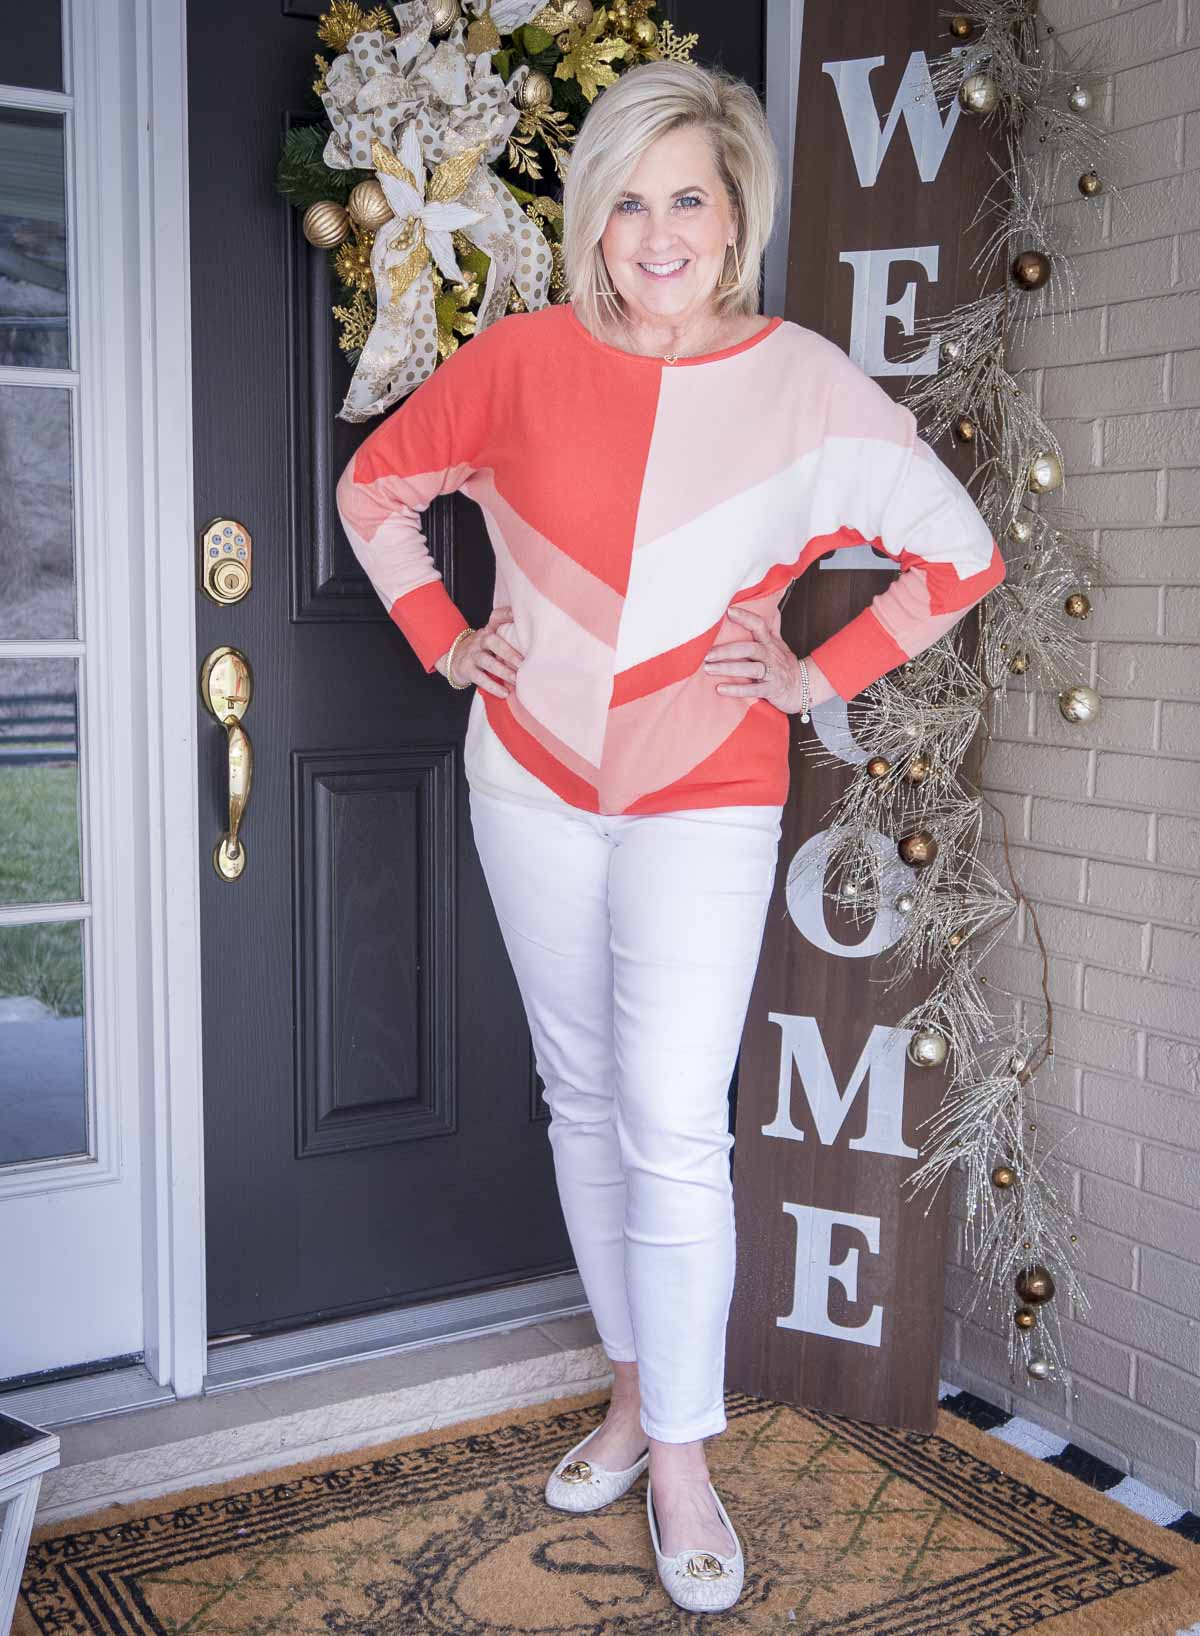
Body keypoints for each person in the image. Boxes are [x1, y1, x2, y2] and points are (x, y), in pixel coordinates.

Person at [336, 56, 1006, 1615]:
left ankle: (687, 1453)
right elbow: (379, 488)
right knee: (583, 1098)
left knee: (673, 1122)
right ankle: (636, 1397)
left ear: (734, 214)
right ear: (590, 218)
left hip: (707, 784)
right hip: (530, 778)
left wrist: (812, 669)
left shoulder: (805, 383)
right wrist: (446, 636)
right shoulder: (512, 360)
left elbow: (956, 553)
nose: (656, 233)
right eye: (627, 200)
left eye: (686, 198)